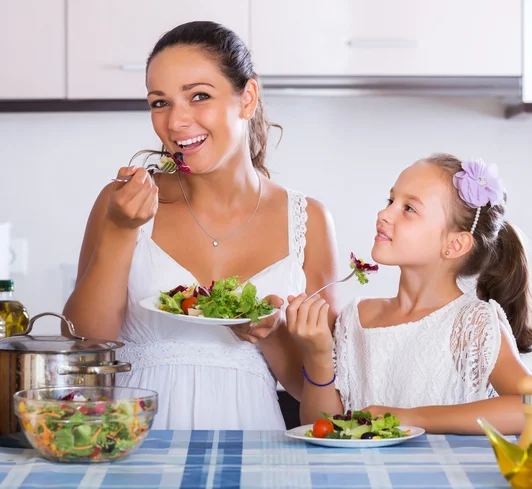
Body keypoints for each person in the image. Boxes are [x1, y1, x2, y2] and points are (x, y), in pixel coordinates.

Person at [63, 21, 339, 430]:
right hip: (137, 439)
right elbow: (86, 347)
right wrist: (121, 230)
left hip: (252, 440)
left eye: (199, 96)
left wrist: (272, 331)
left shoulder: (308, 219)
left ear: (247, 98)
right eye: (160, 102)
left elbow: (311, 389)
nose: (176, 122)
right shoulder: (122, 202)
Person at [287, 153, 532, 434]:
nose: (384, 214)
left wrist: (409, 418)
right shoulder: (356, 318)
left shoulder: (472, 323)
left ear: (455, 244)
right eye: (390, 201)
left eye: (409, 208)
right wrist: (318, 356)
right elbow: (320, 428)